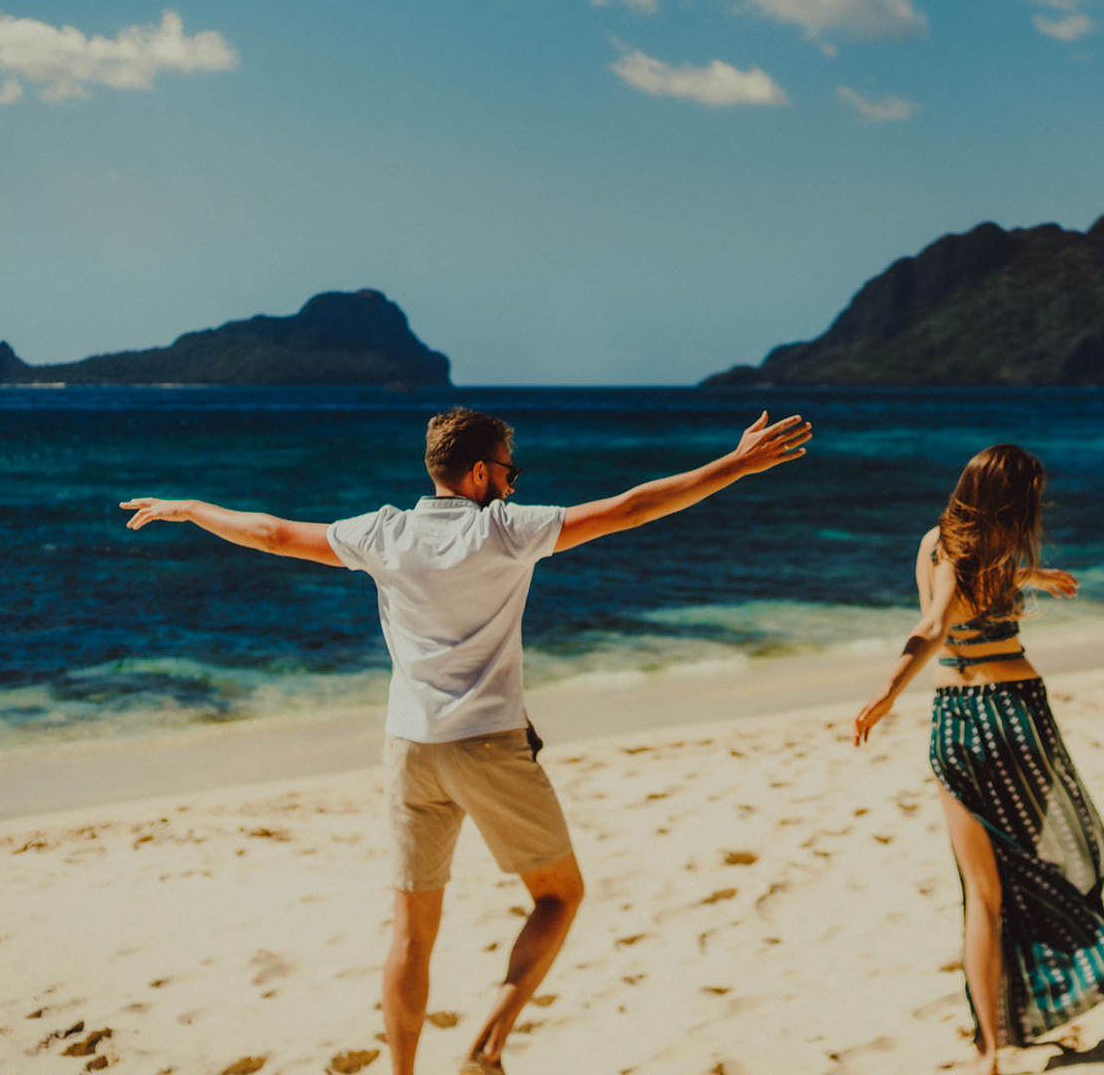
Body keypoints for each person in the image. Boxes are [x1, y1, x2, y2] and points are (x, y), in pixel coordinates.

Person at [121, 406, 811, 1075]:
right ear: (480, 473)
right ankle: (486, 1046)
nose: (516, 483)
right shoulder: (505, 531)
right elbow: (632, 507)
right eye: (511, 471)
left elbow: (271, 533)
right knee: (559, 896)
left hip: (409, 748)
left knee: (411, 934)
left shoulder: (384, 533)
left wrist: (191, 507)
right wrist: (735, 465)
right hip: (487, 745)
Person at [853, 444, 1104, 1074]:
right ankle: (1010, 1021)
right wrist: (886, 690)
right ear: (1011, 500)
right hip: (1018, 718)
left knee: (983, 893)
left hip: (961, 723)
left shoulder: (944, 542)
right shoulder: (971, 551)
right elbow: (933, 625)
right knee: (1021, 876)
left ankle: (991, 1044)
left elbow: (946, 615)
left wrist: (1035, 577)